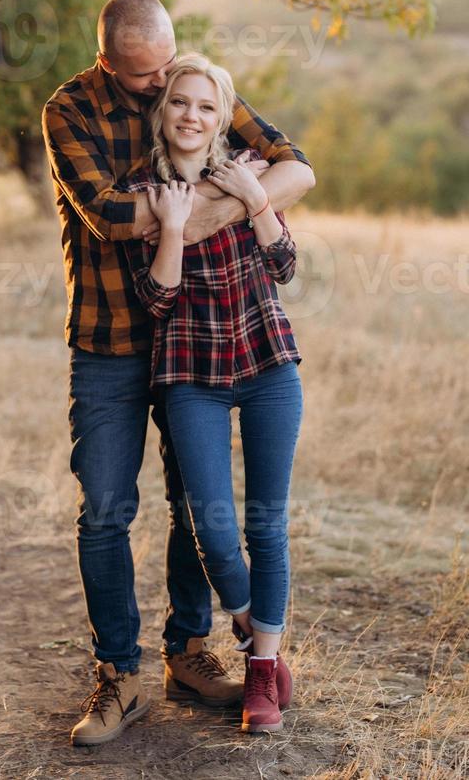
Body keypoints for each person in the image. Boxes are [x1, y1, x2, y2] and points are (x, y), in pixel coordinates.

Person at [41, 0, 315, 745]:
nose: (168, 93)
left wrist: (239, 198)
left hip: (203, 350)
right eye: (149, 82)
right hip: (110, 338)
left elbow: (298, 168)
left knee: (197, 508)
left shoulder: (195, 89)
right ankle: (118, 675)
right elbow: (108, 214)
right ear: (109, 64)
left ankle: (189, 652)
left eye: (173, 74)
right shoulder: (69, 111)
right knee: (104, 508)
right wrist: (203, 205)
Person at [121, 54, 303, 733]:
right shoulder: (144, 191)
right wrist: (171, 226)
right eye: (179, 103)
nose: (191, 116)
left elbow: (284, 266)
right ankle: (255, 628)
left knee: (266, 524)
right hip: (190, 373)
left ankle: (261, 672)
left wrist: (255, 202)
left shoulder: (248, 174)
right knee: (212, 528)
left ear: (222, 117)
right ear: (162, 111)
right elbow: (156, 301)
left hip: (267, 364)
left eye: (205, 106)